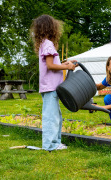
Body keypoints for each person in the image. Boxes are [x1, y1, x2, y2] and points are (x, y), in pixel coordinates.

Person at [30, 14, 77, 151]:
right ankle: (49, 145)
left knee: (56, 116)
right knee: (51, 117)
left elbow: (52, 63)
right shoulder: (48, 44)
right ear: (51, 28)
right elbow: (50, 66)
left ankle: (55, 143)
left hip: (50, 87)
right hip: (50, 87)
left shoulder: (44, 44)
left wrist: (65, 63)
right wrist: (67, 67)